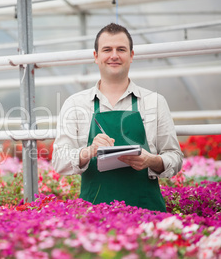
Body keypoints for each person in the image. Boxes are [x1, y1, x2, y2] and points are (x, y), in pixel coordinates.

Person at [52, 23, 183, 212]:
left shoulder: (154, 102)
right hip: (93, 214)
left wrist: (151, 161)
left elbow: (175, 157)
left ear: (131, 55)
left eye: (121, 49)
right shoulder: (75, 104)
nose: (114, 55)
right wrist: (89, 151)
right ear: (96, 56)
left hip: (147, 211)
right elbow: (59, 161)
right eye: (107, 49)